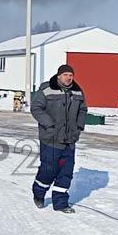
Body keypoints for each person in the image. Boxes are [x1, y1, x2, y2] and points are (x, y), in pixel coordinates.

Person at [30, 64, 87, 214]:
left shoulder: (77, 91)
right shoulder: (46, 90)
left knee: (66, 172)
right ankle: (39, 195)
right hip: (51, 139)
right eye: (66, 75)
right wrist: (49, 124)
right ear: (59, 76)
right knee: (48, 170)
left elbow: (82, 110)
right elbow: (36, 108)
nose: (68, 78)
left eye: (71, 75)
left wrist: (79, 127)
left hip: (70, 139)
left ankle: (61, 203)